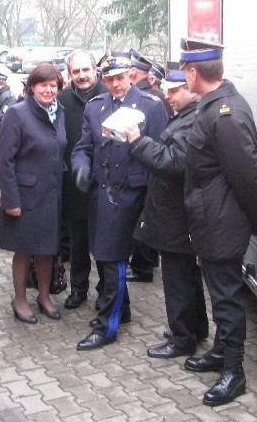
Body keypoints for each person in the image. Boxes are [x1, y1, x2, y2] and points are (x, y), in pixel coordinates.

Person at [179, 38, 257, 407]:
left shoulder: (226, 113)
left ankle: (235, 373)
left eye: (184, 70)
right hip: (211, 218)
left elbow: (248, 173)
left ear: (192, 71)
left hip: (222, 221)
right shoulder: (213, 106)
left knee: (228, 298)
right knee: (220, 293)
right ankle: (220, 352)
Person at [71, 51, 168, 350]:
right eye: (109, 78)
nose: (114, 84)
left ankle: (106, 327)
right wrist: (81, 166)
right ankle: (121, 310)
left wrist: (153, 203)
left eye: (120, 77)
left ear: (131, 75)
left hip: (132, 193)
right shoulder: (95, 107)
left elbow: (160, 155)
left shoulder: (151, 107)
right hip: (102, 193)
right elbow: (83, 146)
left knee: (112, 257)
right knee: (103, 253)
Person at [124, 61, 209, 359]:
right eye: (169, 90)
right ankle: (196, 328)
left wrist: (137, 142)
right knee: (187, 273)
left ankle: (182, 338)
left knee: (177, 278)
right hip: (178, 211)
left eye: (175, 90)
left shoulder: (193, 120)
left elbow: (173, 163)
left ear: (192, 91)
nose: (168, 96)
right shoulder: (185, 115)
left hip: (178, 214)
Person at [0, 64, 67, 324]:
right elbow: (5, 161)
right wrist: (11, 200)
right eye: (42, 85)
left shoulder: (59, 113)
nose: (48, 90)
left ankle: (45, 297)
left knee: (47, 249)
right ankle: (20, 299)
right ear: (32, 87)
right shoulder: (17, 113)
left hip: (51, 195)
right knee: (25, 250)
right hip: (25, 197)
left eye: (53, 85)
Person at [58, 50, 108, 310]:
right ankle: (78, 289)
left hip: (104, 185)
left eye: (85, 70)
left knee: (102, 243)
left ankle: (105, 291)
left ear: (95, 69)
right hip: (74, 184)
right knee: (78, 242)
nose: (81, 76)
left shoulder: (109, 95)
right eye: (75, 71)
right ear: (70, 74)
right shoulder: (62, 100)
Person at [125, 49, 166, 284]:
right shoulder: (154, 94)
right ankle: (146, 263)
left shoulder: (151, 99)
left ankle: (144, 266)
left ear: (133, 72)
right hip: (150, 166)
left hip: (147, 167)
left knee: (144, 221)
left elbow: (156, 139)